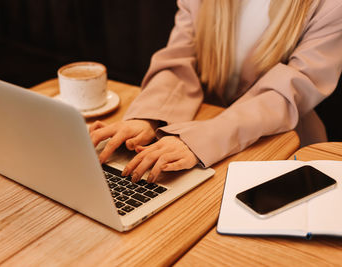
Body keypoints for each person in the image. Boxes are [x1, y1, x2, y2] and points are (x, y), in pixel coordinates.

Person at [90, 0, 342, 184]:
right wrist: (147, 117)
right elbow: (180, 58)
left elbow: (287, 94)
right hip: (192, 131)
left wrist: (200, 140)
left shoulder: (330, 6)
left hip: (279, 146)